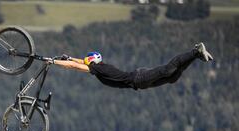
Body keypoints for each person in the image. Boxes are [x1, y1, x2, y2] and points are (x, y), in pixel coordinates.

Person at [50, 43, 213, 90]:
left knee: (167, 70)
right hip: (139, 82)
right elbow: (78, 62)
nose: (84, 61)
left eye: (87, 60)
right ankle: (197, 55)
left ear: (91, 60)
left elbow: (73, 66)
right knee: (172, 78)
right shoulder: (98, 66)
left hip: (138, 79)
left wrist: (52, 61)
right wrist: (69, 57)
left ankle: (195, 51)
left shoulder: (96, 69)